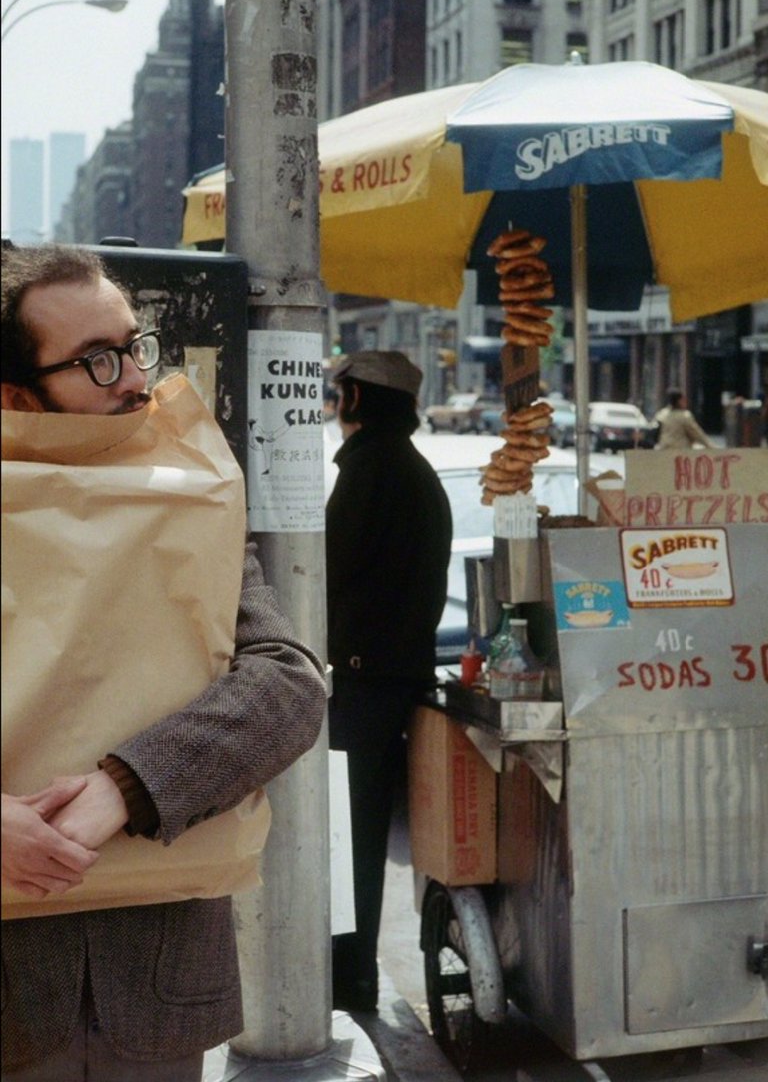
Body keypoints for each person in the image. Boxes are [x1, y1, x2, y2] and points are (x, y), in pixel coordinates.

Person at [0, 244, 327, 1081]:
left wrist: (128, 784)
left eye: (133, 346)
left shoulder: (182, 490)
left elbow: (287, 682)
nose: (133, 379)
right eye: (96, 361)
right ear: (13, 394)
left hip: (155, 992)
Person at [326, 351, 452, 1013]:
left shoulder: (370, 470)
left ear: (352, 398)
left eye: (336, 391)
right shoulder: (409, 469)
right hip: (389, 676)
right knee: (359, 832)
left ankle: (348, 979)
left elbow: (326, 570)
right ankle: (350, 974)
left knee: (349, 836)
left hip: (363, 682)